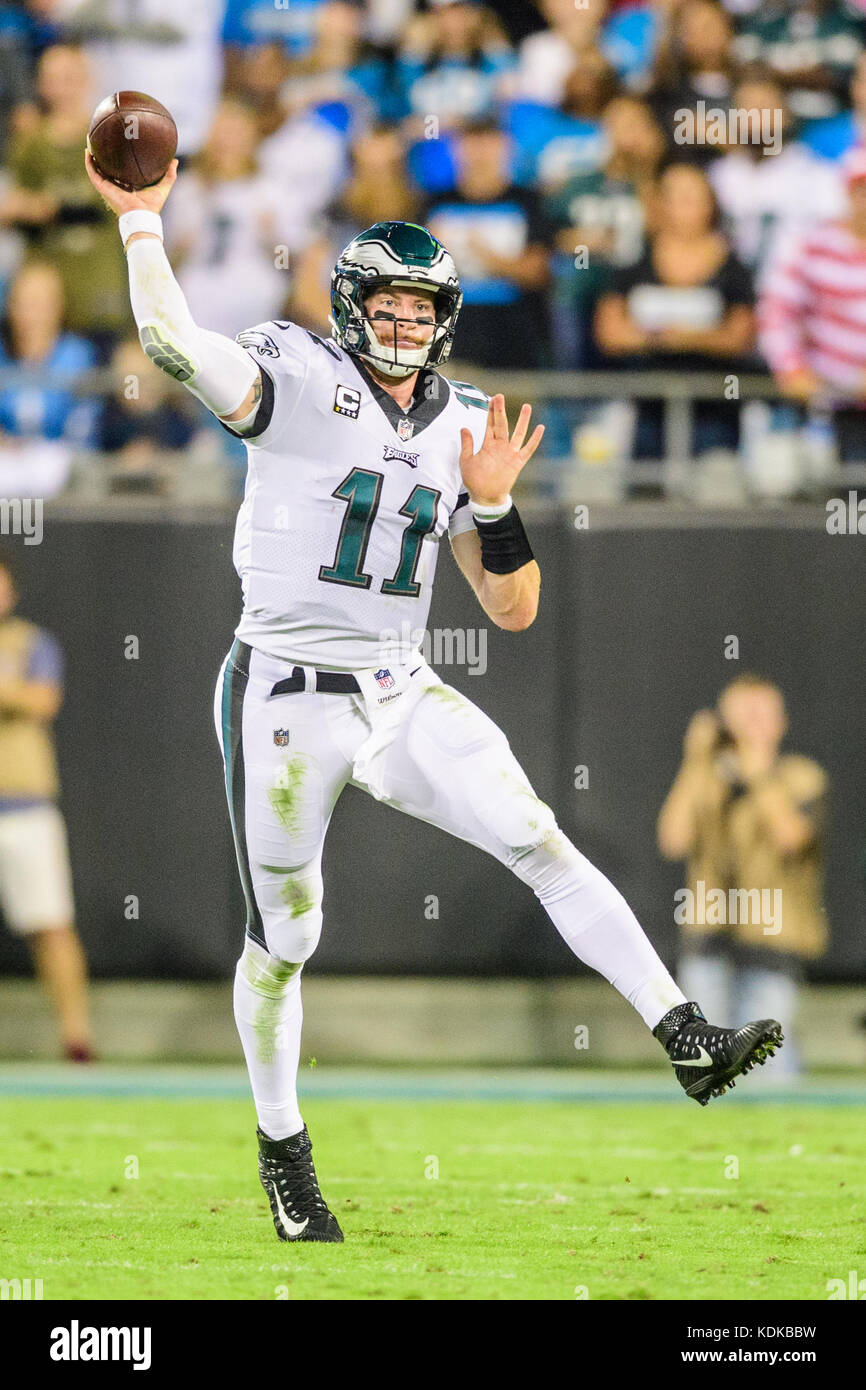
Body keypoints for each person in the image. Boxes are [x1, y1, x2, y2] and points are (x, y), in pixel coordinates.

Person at [86, 148, 783, 1245]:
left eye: (423, 306)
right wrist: (140, 223)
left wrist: (497, 507)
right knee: (288, 939)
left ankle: (684, 1032)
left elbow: (511, 611)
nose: (405, 322)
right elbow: (173, 341)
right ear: (349, 305)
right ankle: (284, 1152)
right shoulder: (295, 372)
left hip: (399, 688)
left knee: (535, 834)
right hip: (282, 689)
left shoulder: (467, 425)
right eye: (389, 301)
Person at [657, 675, 829, 1077]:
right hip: (708, 940)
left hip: (772, 943)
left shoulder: (801, 777)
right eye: (740, 717)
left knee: (766, 1066)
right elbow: (673, 839)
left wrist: (757, 772)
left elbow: (792, 837)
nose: (749, 727)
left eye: (759, 716)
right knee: (706, 1069)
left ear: (779, 723)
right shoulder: (706, 780)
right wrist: (694, 761)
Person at [0, 550, 93, 1061]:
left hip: (23, 804)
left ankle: (77, 1039)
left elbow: (41, 701)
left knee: (51, 923)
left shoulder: (31, 642)